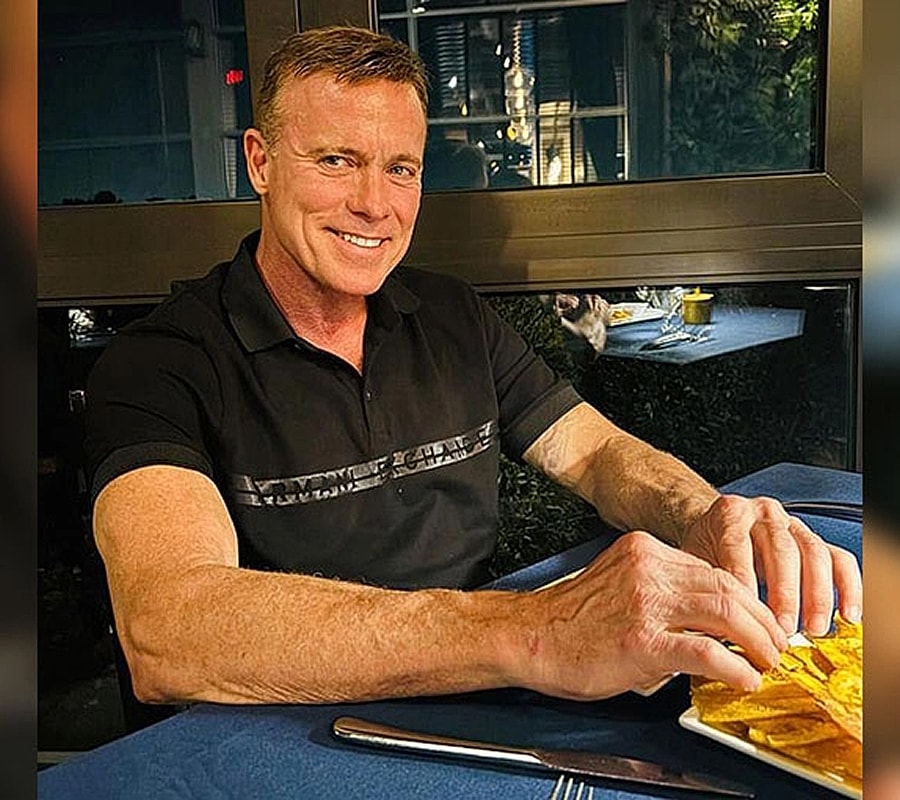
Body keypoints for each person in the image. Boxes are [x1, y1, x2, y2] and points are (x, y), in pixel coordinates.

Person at [85, 25, 861, 708]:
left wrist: (700, 513)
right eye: (335, 160)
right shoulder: (160, 364)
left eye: (401, 169)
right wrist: (540, 631)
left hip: (480, 692)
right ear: (260, 162)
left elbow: (593, 452)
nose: (374, 203)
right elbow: (169, 631)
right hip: (274, 732)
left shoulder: (451, 316)